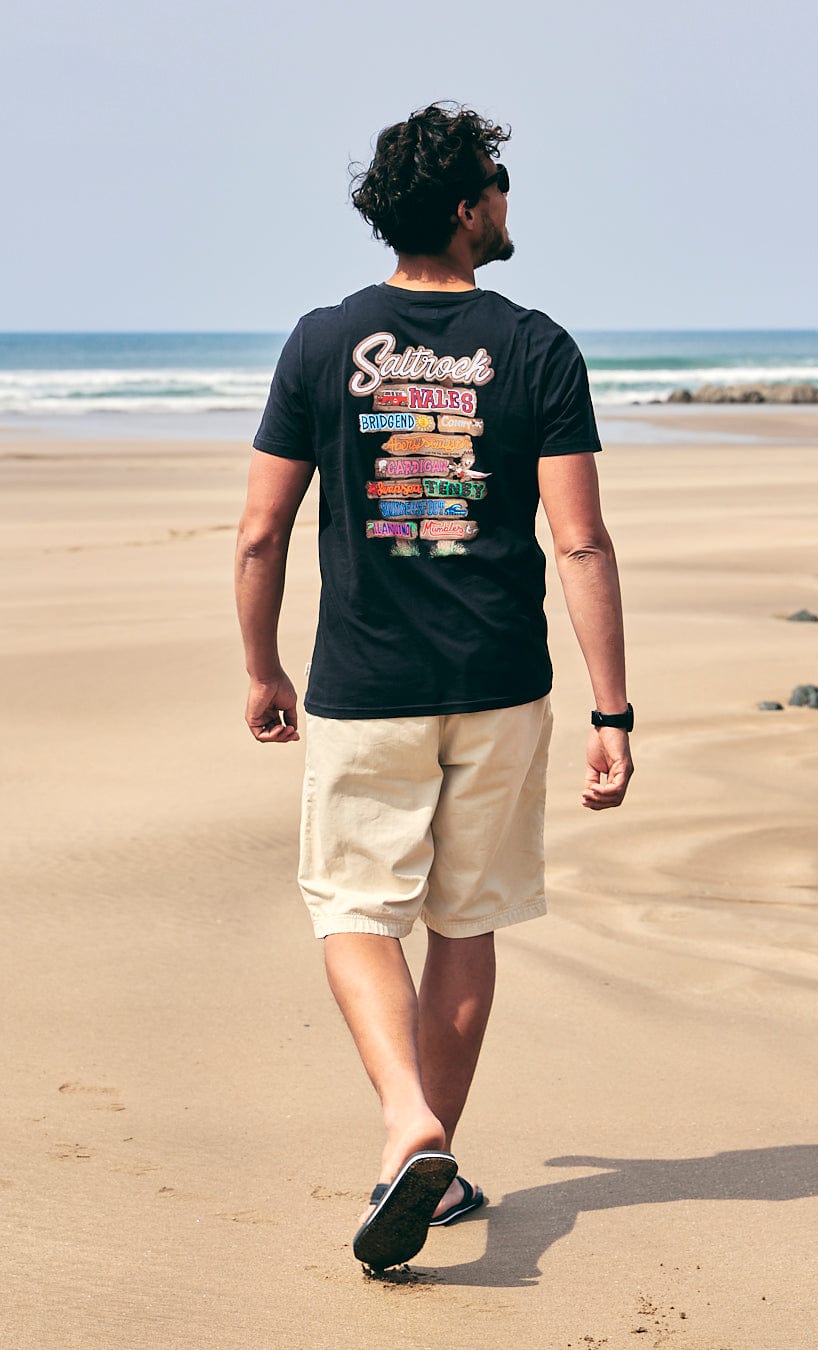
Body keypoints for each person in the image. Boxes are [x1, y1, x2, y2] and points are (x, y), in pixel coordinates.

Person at [234, 102, 633, 1271]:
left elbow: (261, 532)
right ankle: (431, 1162)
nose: (510, 201)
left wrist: (261, 666)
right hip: (502, 686)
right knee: (464, 922)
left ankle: (409, 1125)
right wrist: (612, 712)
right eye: (499, 183)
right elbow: (584, 544)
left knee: (355, 910)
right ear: (465, 208)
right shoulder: (538, 345)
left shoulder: (320, 342)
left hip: (366, 684)